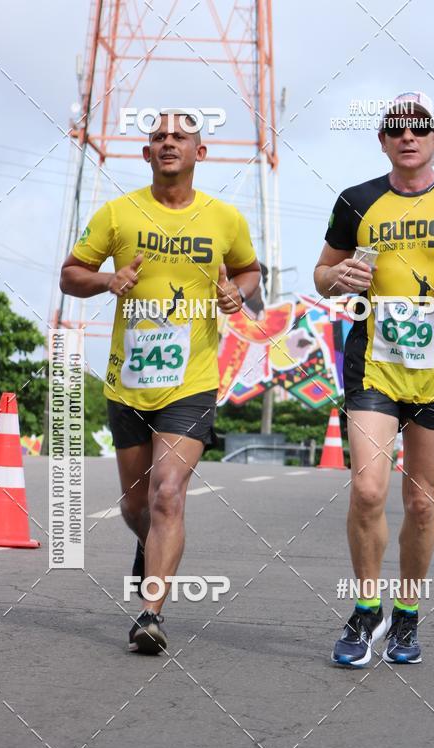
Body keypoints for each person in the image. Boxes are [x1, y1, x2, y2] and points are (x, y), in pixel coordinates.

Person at [314, 91, 434, 666]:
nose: (409, 136)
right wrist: (338, 276)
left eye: (420, 129)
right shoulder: (357, 200)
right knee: (368, 490)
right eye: (397, 129)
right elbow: (322, 275)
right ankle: (366, 609)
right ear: (384, 141)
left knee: (422, 504)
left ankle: (407, 615)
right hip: (373, 363)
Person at [60, 111, 261, 654]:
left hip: (192, 381)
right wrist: (108, 278)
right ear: (146, 155)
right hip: (128, 381)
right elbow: (70, 274)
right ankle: (148, 545)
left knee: (168, 492)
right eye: (157, 137)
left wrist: (236, 294)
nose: (168, 141)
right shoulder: (118, 214)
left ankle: (151, 614)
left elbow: (249, 271)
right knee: (136, 506)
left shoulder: (224, 219)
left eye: (180, 136)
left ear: (201, 153)